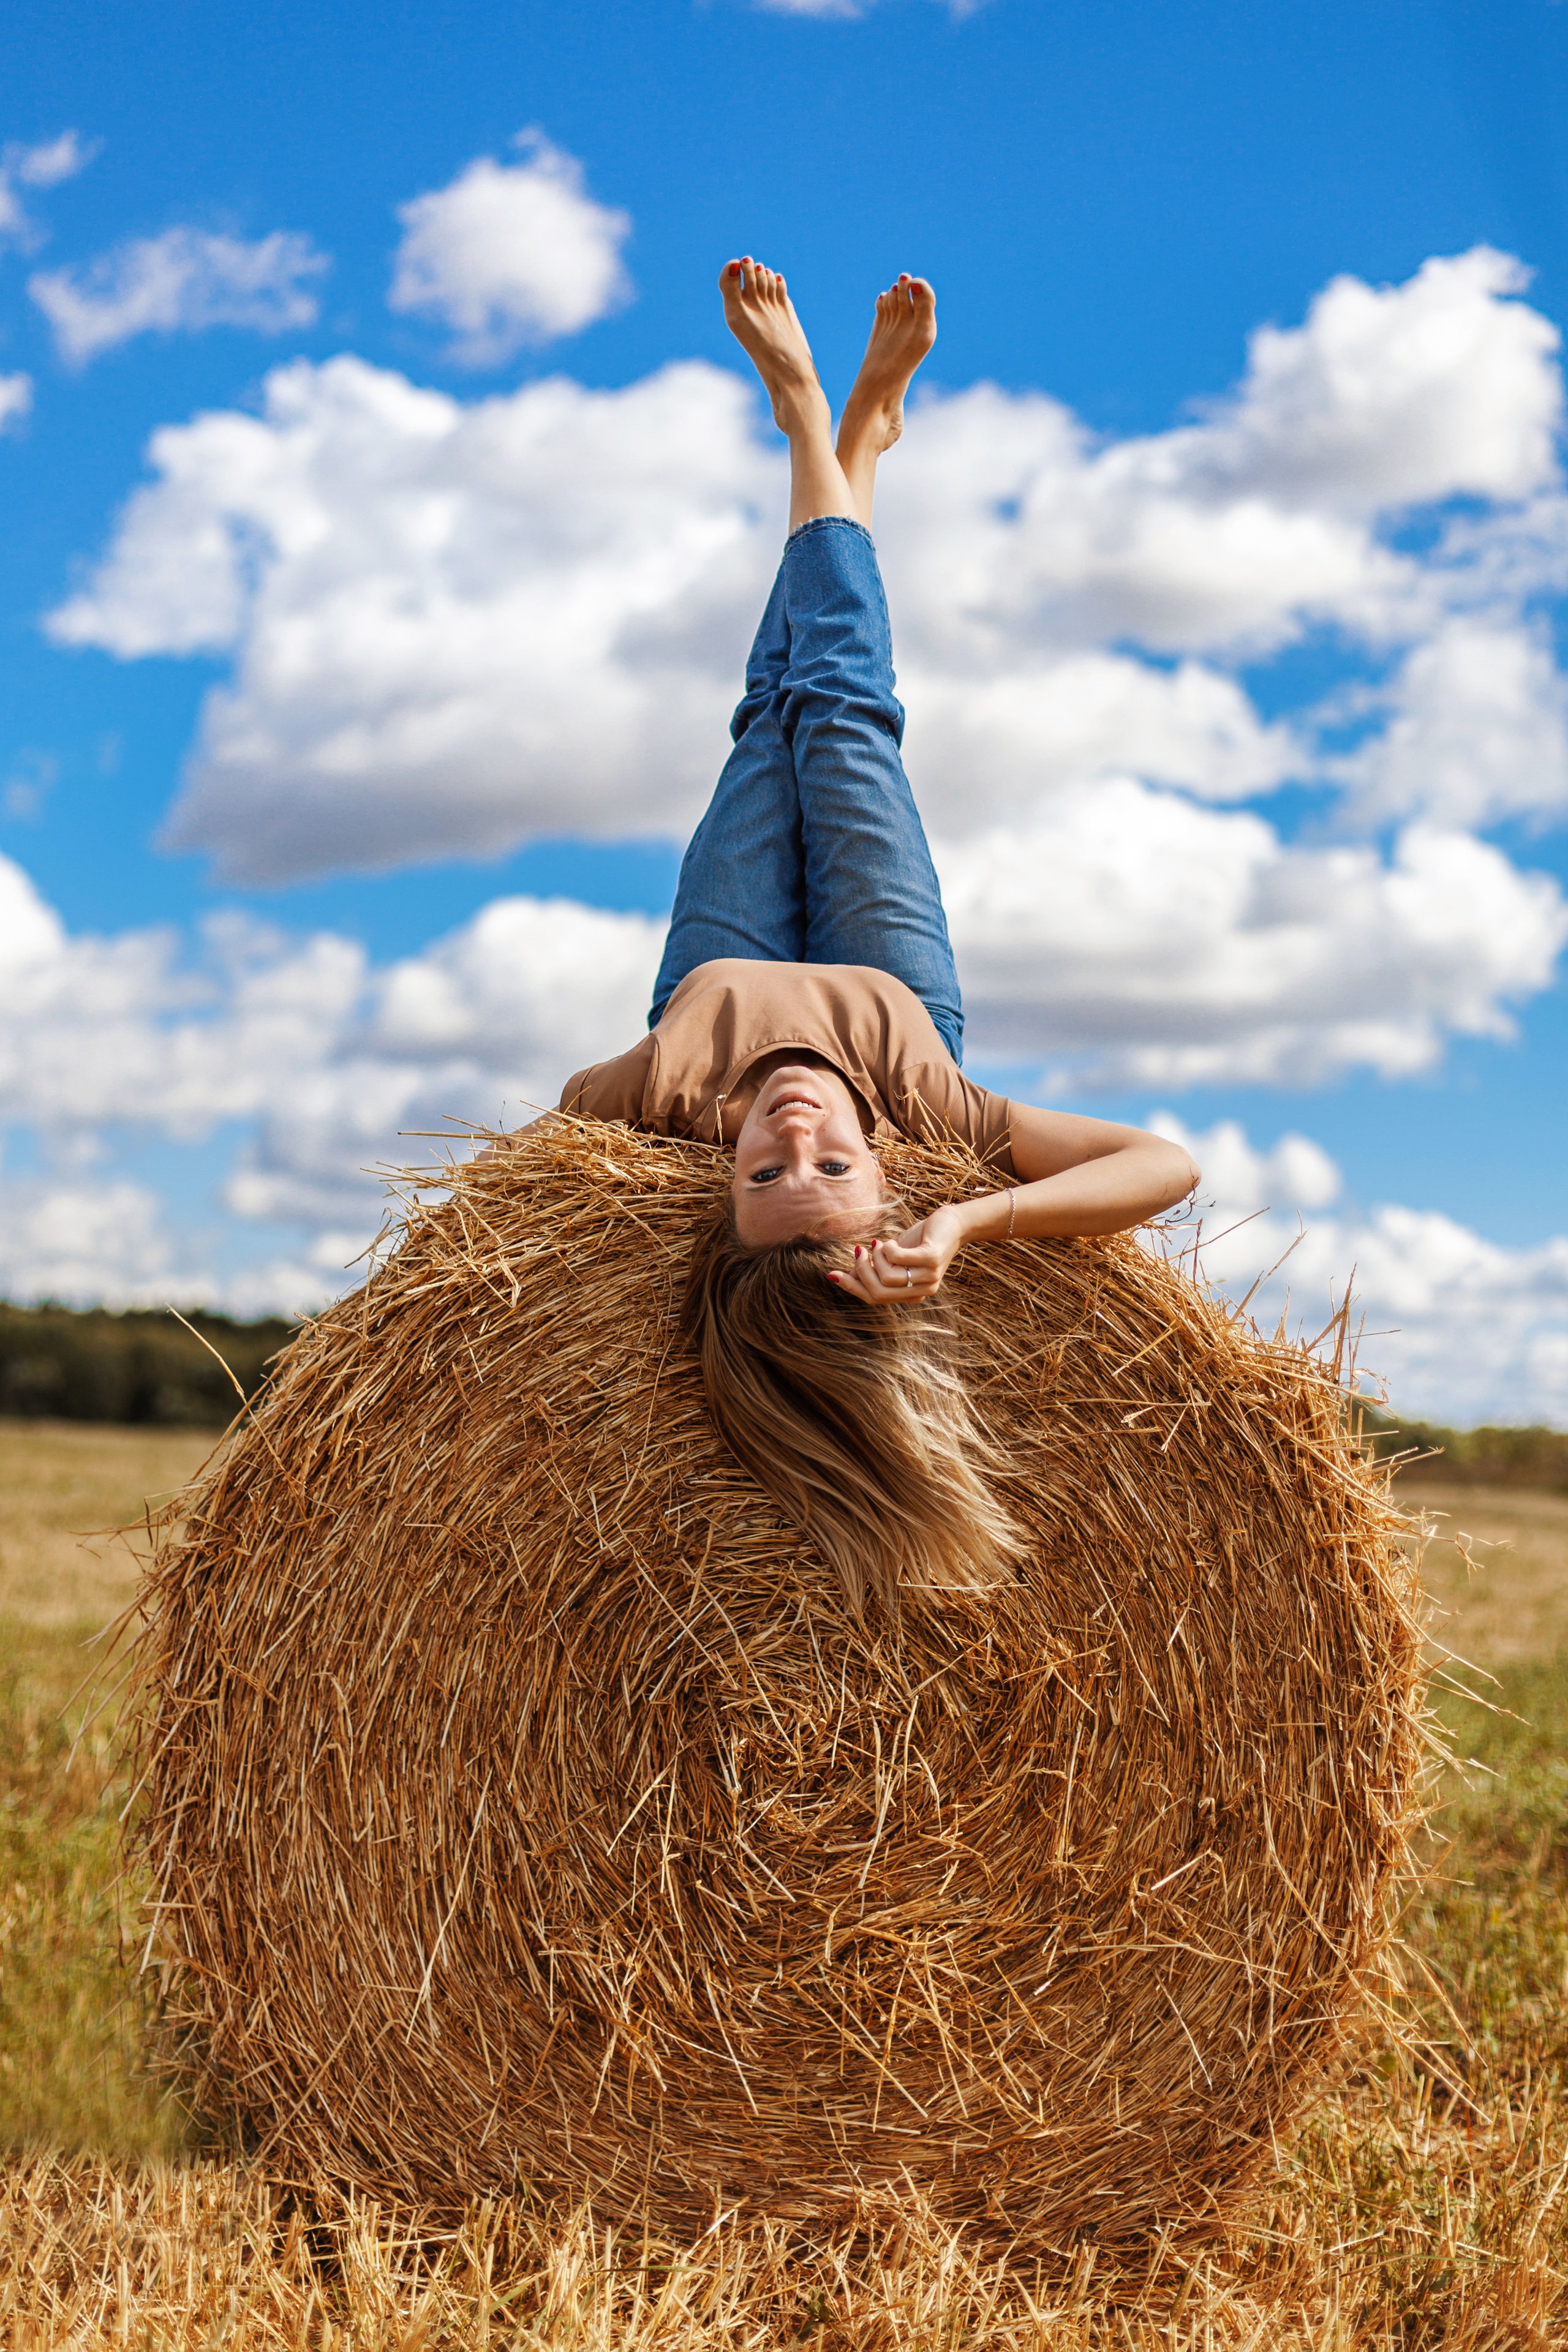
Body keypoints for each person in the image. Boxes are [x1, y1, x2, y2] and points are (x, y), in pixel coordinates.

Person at [545, 259, 1199, 1610]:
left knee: (768, 705)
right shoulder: (935, 1116)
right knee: (840, 706)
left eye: (760, 1170)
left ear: (710, 1190)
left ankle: (842, 445)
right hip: (891, 982)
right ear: (887, 1169)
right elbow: (1163, 1163)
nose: (789, 1127)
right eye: (827, 1161)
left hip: (708, 975)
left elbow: (557, 1132)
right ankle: (814, 423)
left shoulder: (655, 1098)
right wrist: (971, 1232)